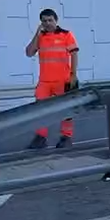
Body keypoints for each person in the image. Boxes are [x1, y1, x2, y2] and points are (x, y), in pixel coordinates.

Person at [25, 8, 79, 149]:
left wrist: (73, 75)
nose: (47, 23)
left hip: (63, 80)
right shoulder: (40, 37)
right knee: (40, 109)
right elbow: (29, 53)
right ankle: (40, 137)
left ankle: (66, 137)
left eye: (50, 20)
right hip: (44, 81)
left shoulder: (66, 35)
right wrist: (37, 33)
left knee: (66, 110)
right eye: (44, 21)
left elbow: (74, 54)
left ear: (56, 20)